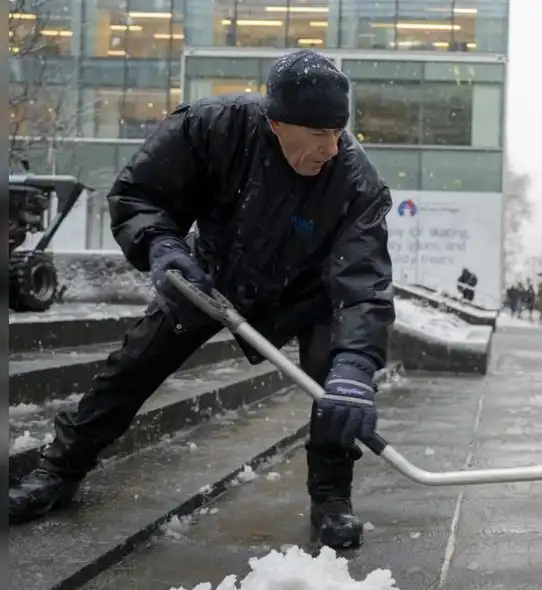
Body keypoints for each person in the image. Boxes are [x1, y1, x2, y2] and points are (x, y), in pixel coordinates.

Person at [9, 50, 395, 549]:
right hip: (209, 274)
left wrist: (357, 366)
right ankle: (58, 472)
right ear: (276, 123)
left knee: (334, 391)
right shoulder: (215, 127)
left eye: (338, 133)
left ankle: (332, 498)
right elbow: (139, 194)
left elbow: (364, 282)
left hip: (308, 293)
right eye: (318, 134)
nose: (330, 147)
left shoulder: (354, 181)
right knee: (133, 366)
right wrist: (164, 247)